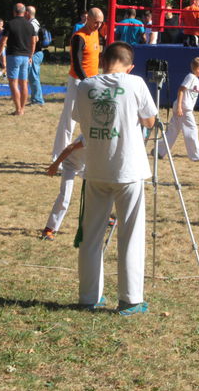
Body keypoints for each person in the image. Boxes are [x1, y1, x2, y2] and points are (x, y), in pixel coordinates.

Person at [73, 41, 157, 315]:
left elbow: (80, 118)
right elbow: (150, 120)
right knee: (130, 235)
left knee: (91, 237)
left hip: (96, 168)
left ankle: (88, 297)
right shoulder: (135, 83)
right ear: (129, 67)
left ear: (103, 61)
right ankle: (130, 299)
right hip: (127, 169)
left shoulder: (85, 86)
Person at [51, 7, 103, 161]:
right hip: (78, 81)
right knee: (69, 119)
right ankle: (58, 157)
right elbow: (77, 63)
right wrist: (86, 81)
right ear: (88, 19)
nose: (98, 25)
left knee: (90, 119)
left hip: (92, 81)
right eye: (96, 22)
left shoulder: (96, 34)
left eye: (100, 22)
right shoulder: (78, 37)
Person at [157, 57, 199, 161]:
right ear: (198, 69)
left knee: (173, 130)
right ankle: (197, 156)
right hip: (185, 108)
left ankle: (159, 151)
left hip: (183, 108)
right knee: (192, 130)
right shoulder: (190, 77)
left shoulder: (196, 80)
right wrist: (180, 107)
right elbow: (181, 90)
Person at [41, 136, 86, 241]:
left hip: (86, 166)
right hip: (71, 165)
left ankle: (104, 219)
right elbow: (70, 148)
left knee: (98, 191)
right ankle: (49, 229)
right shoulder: (89, 135)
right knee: (65, 196)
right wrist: (56, 164)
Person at [0, 3, 35, 116]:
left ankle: (18, 109)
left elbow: (3, 42)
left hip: (13, 56)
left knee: (13, 82)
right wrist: (30, 55)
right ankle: (22, 108)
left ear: (14, 12)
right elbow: (33, 42)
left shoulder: (10, 24)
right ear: (25, 12)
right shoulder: (29, 25)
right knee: (24, 83)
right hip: (25, 56)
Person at [25, 5, 45, 106]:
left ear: (28, 13)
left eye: (25, 12)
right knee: (33, 76)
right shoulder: (34, 23)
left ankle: (37, 100)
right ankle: (36, 99)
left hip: (35, 53)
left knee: (33, 77)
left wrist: (30, 55)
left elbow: (35, 39)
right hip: (36, 53)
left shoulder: (33, 24)